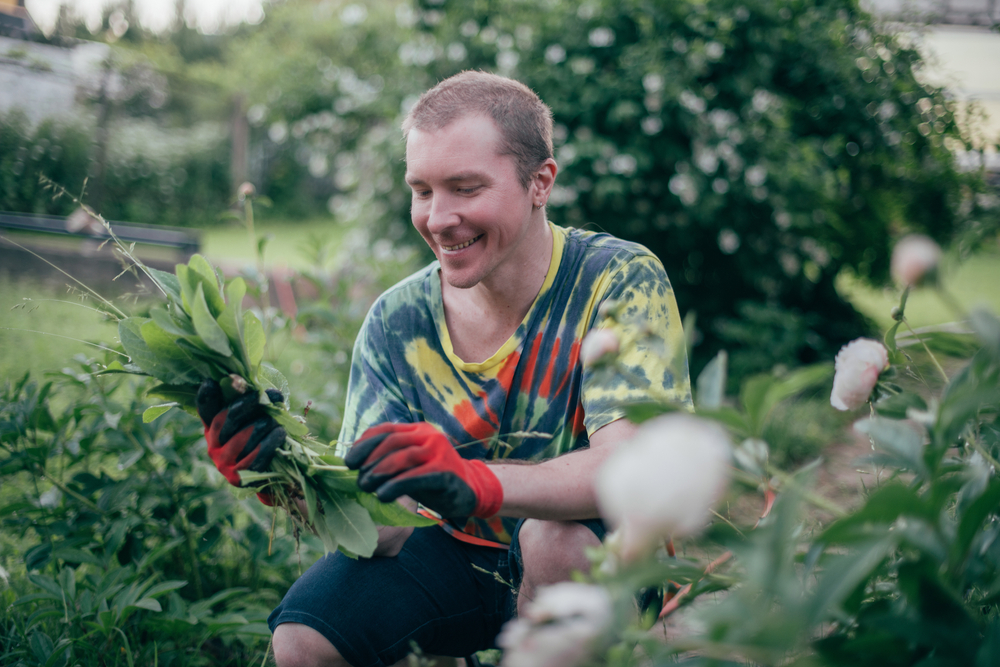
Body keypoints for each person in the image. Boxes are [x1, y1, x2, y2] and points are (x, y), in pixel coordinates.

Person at [199, 71, 691, 667]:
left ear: (540, 183)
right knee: (303, 640)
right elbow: (386, 527)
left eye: (465, 188)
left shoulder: (616, 280)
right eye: (423, 190)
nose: (438, 218)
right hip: (453, 555)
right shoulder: (397, 320)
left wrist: (475, 482)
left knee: (552, 544)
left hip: (597, 560)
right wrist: (282, 477)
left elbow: (634, 471)